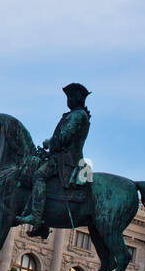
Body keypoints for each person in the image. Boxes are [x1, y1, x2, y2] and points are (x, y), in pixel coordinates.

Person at [15, 83, 91, 238]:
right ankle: (43, 220)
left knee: (39, 175)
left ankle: (36, 217)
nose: (67, 101)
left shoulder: (78, 115)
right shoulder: (74, 114)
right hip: (61, 156)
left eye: (69, 97)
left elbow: (64, 137)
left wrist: (49, 143)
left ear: (76, 99)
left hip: (66, 159)